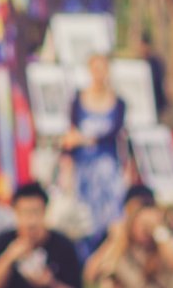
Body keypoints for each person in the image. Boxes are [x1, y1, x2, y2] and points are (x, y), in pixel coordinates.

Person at [63, 54, 129, 255]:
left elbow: (115, 136)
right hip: (83, 167)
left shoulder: (117, 103)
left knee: (109, 213)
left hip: (106, 168)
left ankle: (108, 252)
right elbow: (70, 136)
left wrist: (84, 139)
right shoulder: (78, 99)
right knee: (84, 214)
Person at [0, 182, 85, 288]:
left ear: (45, 212)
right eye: (25, 212)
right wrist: (9, 257)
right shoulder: (3, 241)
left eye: (36, 212)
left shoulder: (63, 245)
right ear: (16, 213)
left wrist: (50, 283)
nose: (31, 221)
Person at [84, 189, 173, 288]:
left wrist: (158, 230)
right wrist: (114, 242)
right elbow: (90, 275)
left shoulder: (167, 238)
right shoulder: (121, 243)